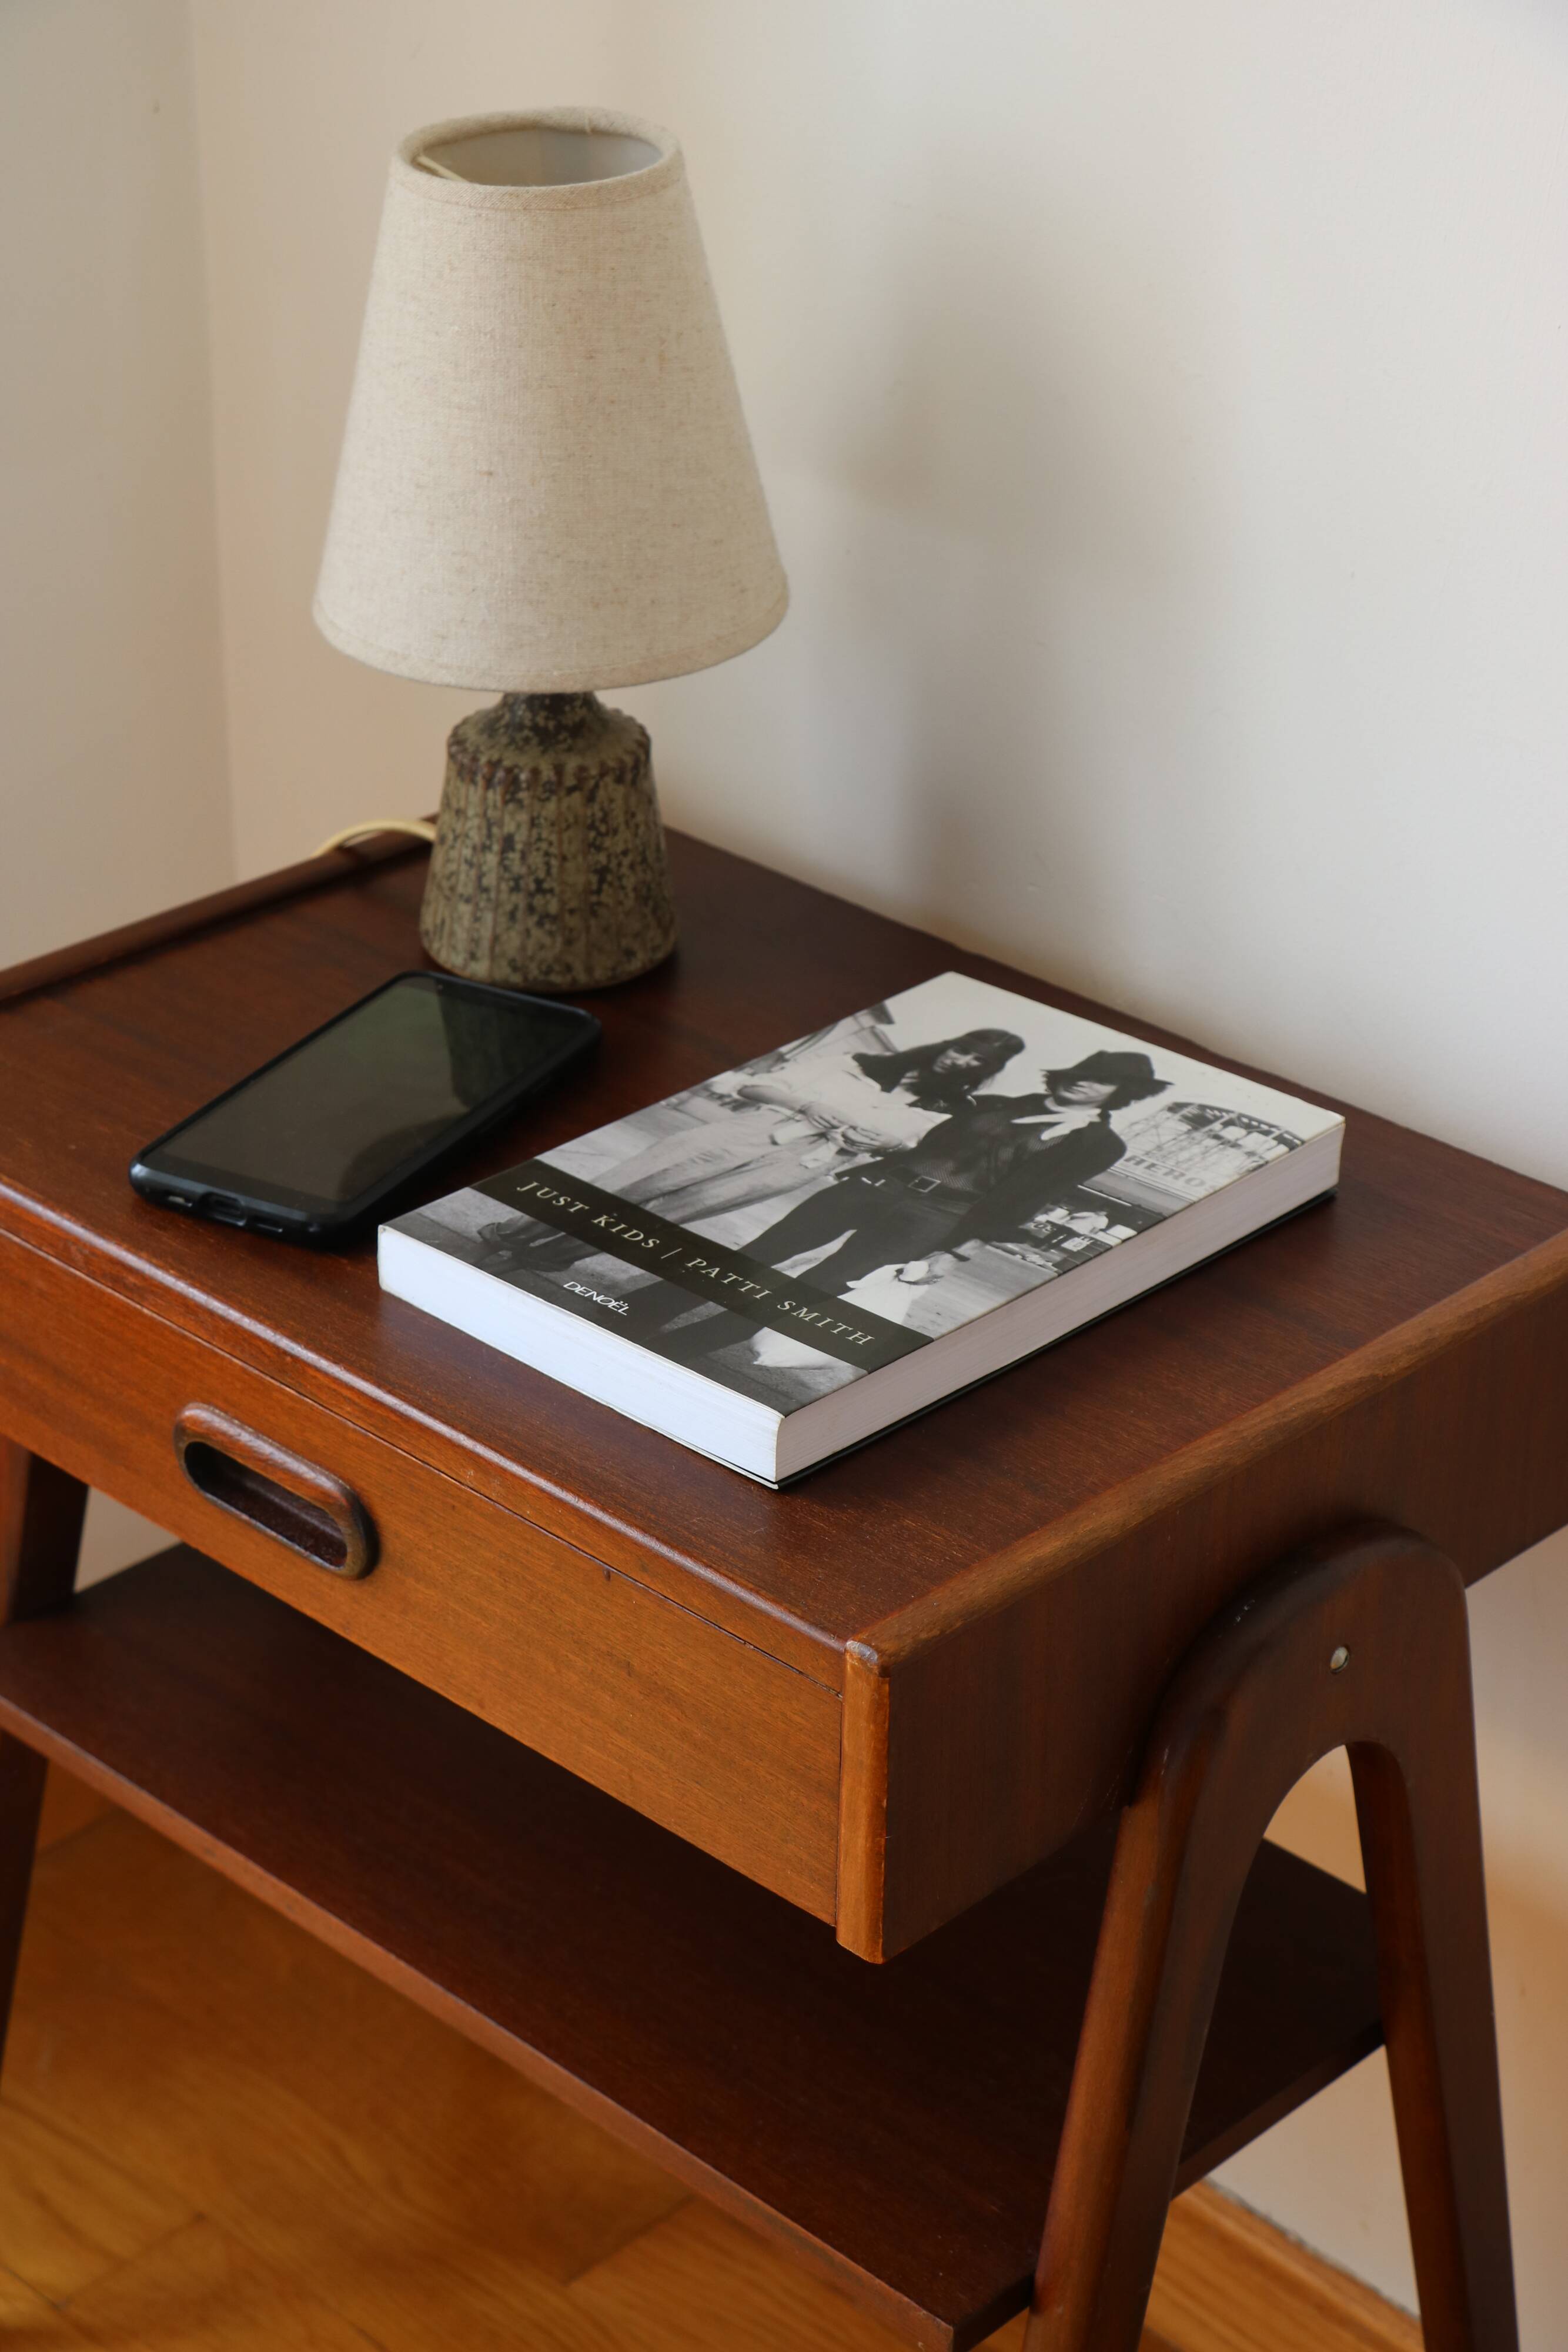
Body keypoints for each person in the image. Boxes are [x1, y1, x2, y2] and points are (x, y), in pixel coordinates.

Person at [631, 1048, 1169, 1363]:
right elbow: (921, 1135)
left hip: (937, 1219)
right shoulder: (1001, 1103)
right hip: (878, 1187)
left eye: (1103, 1081)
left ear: (1121, 1094)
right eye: (1082, 1070)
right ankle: (644, 1313)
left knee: (825, 1287)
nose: (1083, 1081)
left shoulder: (1099, 1145)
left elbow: (1030, 1200)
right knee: (759, 1252)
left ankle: (689, 1345)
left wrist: (956, 1254)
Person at [473, 1027, 1024, 1278]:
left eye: (975, 1064)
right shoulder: (853, 1064)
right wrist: (807, 1106)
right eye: (959, 1051)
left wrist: (879, 1140)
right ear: (945, 1045)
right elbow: (752, 1087)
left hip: (807, 1161)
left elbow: (910, 1143)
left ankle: (556, 1256)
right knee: (631, 1183)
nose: (960, 1064)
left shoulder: (951, 1108)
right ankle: (516, 1234)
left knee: (674, 1213)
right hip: (757, 1128)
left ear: (983, 1074)